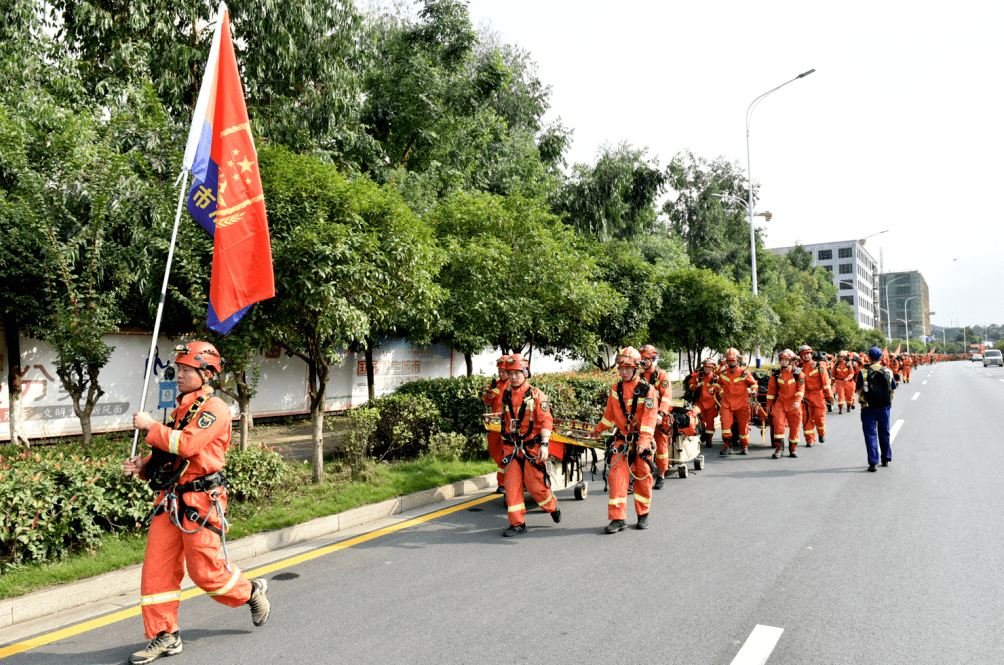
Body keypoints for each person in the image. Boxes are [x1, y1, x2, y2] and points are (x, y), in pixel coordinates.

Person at [124, 342, 269, 665]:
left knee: (206, 573)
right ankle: (166, 635)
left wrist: (150, 427)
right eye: (179, 368)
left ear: (206, 374)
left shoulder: (215, 409)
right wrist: (146, 466)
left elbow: (187, 444)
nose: (179, 374)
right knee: (157, 569)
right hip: (171, 500)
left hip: (201, 502)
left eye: (187, 370)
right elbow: (171, 454)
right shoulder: (181, 410)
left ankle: (250, 592)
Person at [592, 347, 660, 532]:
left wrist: (644, 442)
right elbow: (609, 416)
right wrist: (598, 429)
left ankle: (643, 515)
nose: (623, 372)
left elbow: (649, 418)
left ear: (636, 368)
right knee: (616, 478)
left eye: (627, 368)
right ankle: (617, 518)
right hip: (622, 440)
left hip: (641, 443)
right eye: (621, 368)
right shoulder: (616, 389)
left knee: (643, 477)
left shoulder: (648, 390)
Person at [498, 354, 560, 536]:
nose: (513, 377)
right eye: (510, 373)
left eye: (517, 373)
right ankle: (517, 523)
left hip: (531, 446)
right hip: (512, 447)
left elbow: (546, 421)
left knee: (536, 486)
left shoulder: (537, 395)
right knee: (511, 486)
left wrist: (545, 445)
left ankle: (552, 506)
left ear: (525, 372)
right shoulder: (507, 394)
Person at [857, 347, 897, 472]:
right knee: (884, 432)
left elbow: (859, 389)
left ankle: (873, 463)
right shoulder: (888, 371)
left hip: (867, 407)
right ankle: (885, 458)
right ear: (881, 358)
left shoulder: (863, 372)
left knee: (870, 435)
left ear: (869, 358)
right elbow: (893, 389)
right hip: (884, 407)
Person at [638, 345, 673, 490]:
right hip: (644, 419)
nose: (642, 362)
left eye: (645, 359)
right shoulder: (638, 376)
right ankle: (642, 475)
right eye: (641, 359)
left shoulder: (661, 376)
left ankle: (661, 476)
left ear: (652, 359)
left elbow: (666, 396)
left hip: (659, 419)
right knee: (642, 448)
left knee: (661, 448)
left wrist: (660, 414)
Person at [715, 348, 758, 456]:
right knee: (725, 425)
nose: (731, 362)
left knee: (743, 426)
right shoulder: (723, 372)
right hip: (727, 403)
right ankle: (727, 447)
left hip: (742, 403)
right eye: (729, 360)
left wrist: (754, 390)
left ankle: (744, 446)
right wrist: (714, 388)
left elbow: (753, 384)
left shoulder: (744, 372)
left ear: (737, 360)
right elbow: (719, 383)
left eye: (733, 360)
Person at [765, 349, 805, 458]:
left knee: (795, 426)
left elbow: (801, 389)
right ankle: (779, 449)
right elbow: (771, 390)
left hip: (794, 404)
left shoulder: (798, 373)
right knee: (778, 423)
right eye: (782, 360)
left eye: (786, 360)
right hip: (780, 403)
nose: (783, 362)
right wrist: (768, 405)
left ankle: (793, 449)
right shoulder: (776, 373)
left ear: (791, 361)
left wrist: (797, 401)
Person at [482, 355, 510, 493]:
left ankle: (502, 484)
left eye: (503, 371)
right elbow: (487, 401)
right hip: (495, 426)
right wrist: (489, 396)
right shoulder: (496, 384)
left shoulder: (514, 384)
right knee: (494, 449)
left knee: (506, 453)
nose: (501, 373)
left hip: (509, 426)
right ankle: (503, 482)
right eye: (499, 371)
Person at [798, 344, 833, 446]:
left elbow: (825, 382)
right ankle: (810, 440)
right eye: (804, 354)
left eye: (808, 354)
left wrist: (829, 395)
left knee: (819, 417)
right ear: (801, 356)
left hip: (818, 395)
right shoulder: (798, 368)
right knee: (806, 418)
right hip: (805, 396)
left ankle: (821, 433)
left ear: (811, 354)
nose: (806, 356)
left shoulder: (819, 366)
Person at [688, 358, 719, 448]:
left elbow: (722, 388)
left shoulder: (716, 377)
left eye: (709, 367)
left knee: (710, 423)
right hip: (699, 403)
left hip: (711, 404)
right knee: (696, 419)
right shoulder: (698, 376)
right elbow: (690, 385)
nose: (706, 369)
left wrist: (715, 389)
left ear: (712, 368)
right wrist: (695, 386)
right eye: (705, 367)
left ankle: (709, 439)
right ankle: (700, 434)